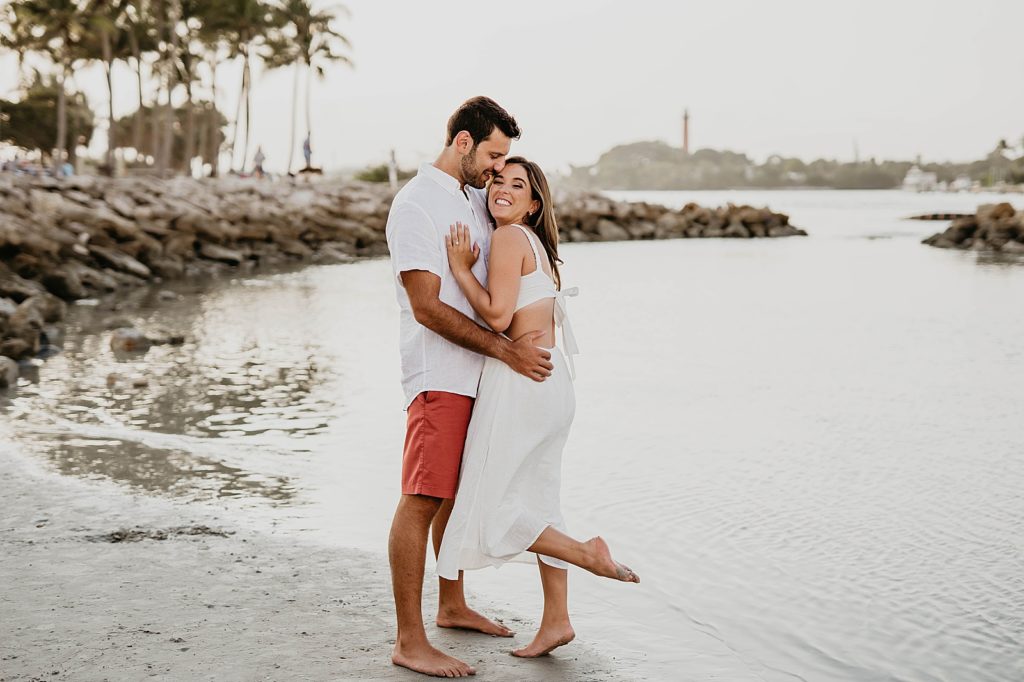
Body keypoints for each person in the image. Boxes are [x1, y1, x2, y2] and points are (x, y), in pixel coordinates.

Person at [436, 158, 639, 659]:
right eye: (497, 180)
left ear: (533, 204)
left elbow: (497, 315)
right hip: (552, 384)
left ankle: (586, 554)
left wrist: (459, 269)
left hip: (520, 383)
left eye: (517, 185)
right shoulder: (538, 246)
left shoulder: (509, 238)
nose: (502, 189)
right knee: (541, 502)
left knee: (493, 510)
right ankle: (557, 620)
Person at [384, 96, 554, 678]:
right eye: (493, 156)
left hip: (479, 376)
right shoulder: (417, 205)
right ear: (463, 143)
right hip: (440, 376)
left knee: (453, 495)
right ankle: (410, 640)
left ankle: (451, 604)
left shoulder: (472, 197)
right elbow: (427, 307)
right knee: (422, 497)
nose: (497, 169)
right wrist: (507, 351)